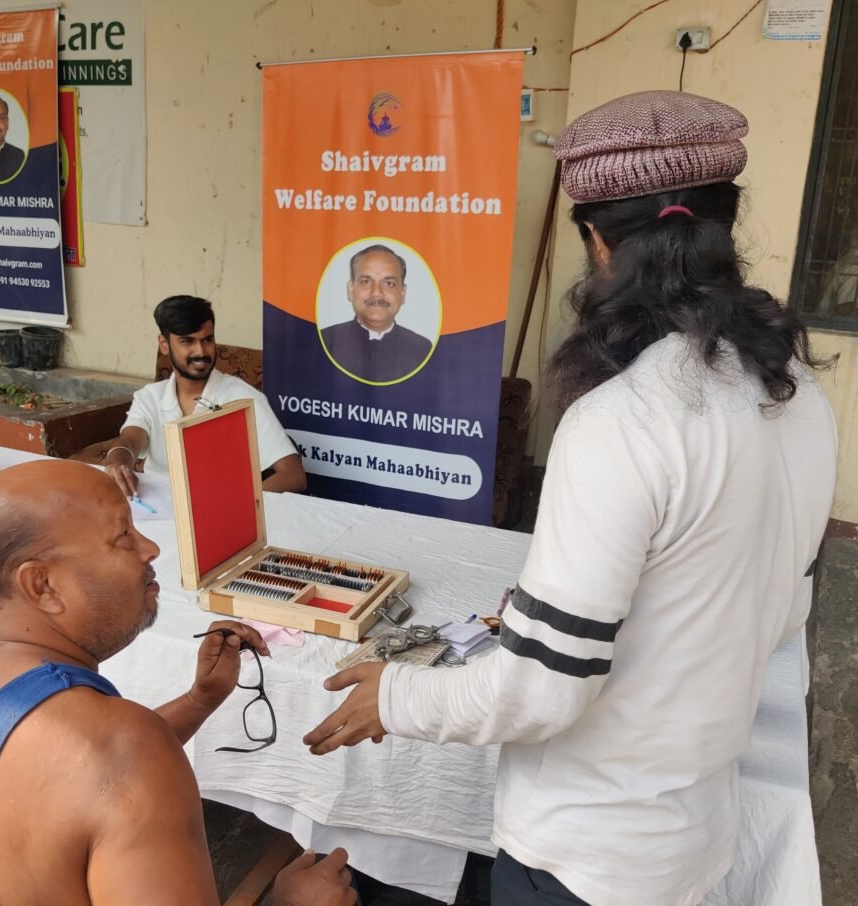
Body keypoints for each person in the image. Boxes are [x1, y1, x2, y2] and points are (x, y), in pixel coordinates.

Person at [303, 90, 838, 906]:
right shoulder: (796, 390)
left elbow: (542, 691)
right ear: (724, 230)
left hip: (587, 855)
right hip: (693, 839)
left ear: (598, 243)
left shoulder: (621, 420)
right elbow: (777, 612)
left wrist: (397, 694)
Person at [0, 459, 354, 905]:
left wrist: (199, 700)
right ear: (42, 585)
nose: (150, 548)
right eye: (123, 536)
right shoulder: (125, 751)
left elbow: (70, 781)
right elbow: (110, 765)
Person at [105, 295, 306, 496]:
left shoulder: (243, 398)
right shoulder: (150, 397)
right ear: (164, 344)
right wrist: (118, 462)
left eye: (207, 340)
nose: (200, 351)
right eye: (187, 341)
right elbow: (129, 441)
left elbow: (293, 476)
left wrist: (237, 505)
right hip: (157, 509)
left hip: (223, 510)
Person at [320, 245, 432, 382]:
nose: (377, 293)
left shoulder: (422, 350)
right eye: (366, 282)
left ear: (402, 293)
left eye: (389, 283)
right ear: (351, 290)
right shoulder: (324, 342)